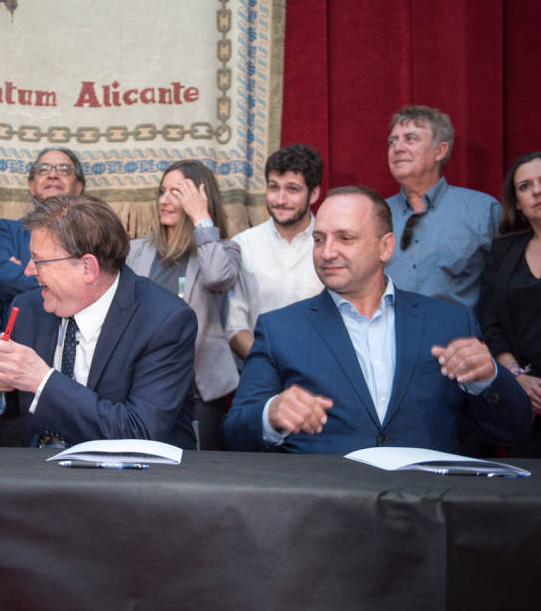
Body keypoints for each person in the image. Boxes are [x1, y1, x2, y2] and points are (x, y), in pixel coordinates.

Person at [222, 186, 531, 454]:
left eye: (345, 238)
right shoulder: (280, 329)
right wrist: (270, 415)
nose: (327, 252)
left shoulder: (450, 324)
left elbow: (513, 430)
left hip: (431, 509)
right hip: (324, 510)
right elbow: (235, 434)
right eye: (318, 239)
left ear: (385, 247)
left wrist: (490, 379)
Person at [0, 195, 198, 449]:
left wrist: (43, 381)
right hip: (35, 477)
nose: (29, 270)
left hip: (128, 482)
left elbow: (140, 433)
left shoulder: (165, 321)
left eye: (38, 260)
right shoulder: (28, 307)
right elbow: (13, 415)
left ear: (87, 268)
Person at [126, 160, 240, 449]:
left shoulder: (224, 250)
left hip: (197, 389)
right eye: (162, 191)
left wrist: (201, 218)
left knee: (200, 479)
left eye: (177, 192)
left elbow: (217, 277)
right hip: (142, 387)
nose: (164, 200)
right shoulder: (136, 251)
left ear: (199, 199)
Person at [384, 105, 499, 310]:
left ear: (440, 150)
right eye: (392, 141)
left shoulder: (483, 210)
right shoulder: (376, 214)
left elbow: (505, 290)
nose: (397, 147)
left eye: (410, 138)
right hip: (388, 339)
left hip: (458, 338)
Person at [228, 144, 324, 361]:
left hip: (322, 373)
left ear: (314, 193)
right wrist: (269, 366)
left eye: (292, 189)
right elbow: (233, 325)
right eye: (274, 187)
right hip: (260, 373)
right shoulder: (244, 245)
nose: (280, 200)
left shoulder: (329, 246)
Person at [479, 151, 541, 456]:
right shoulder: (504, 250)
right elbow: (490, 320)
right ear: (517, 202)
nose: (536, 191)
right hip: (526, 396)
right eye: (525, 186)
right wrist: (517, 376)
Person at [0, 147, 85, 324]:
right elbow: (3, 278)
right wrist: (69, 279)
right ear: (32, 186)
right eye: (43, 169)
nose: (53, 175)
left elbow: (97, 282)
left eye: (63, 170)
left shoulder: (90, 231)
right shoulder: (8, 229)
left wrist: (23, 273)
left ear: (78, 187)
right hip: (21, 331)